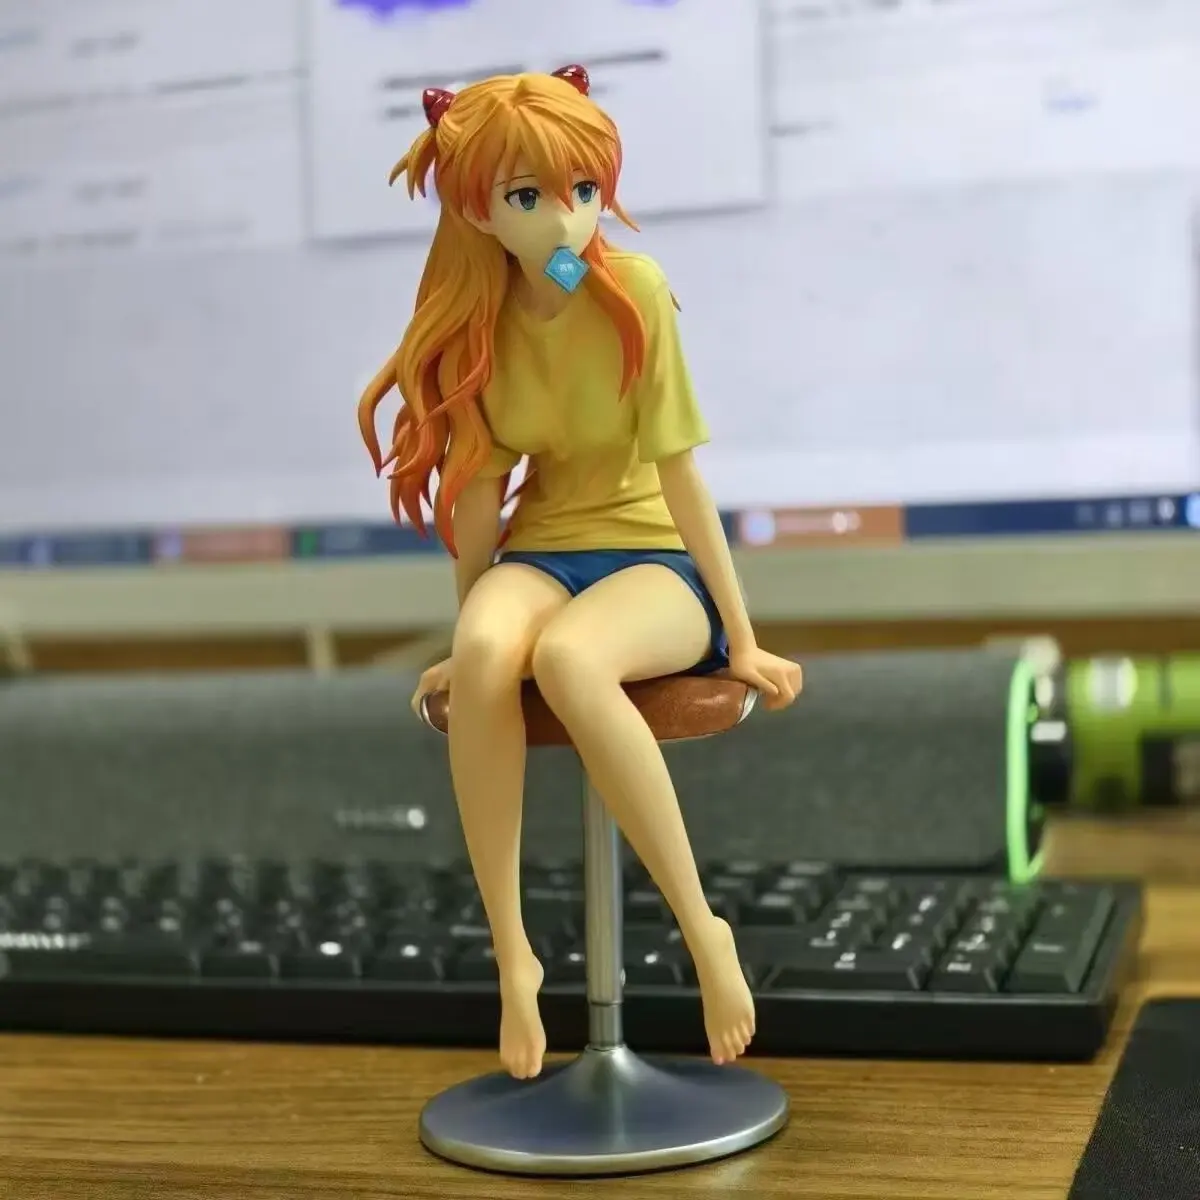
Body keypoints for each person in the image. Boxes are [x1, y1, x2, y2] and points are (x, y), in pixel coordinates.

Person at [358, 64, 803, 1081]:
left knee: (567, 659)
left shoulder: (631, 293)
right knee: (488, 649)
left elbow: (682, 478)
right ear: (479, 208)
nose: (567, 220)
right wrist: (467, 628)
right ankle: (514, 957)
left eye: (585, 191)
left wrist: (740, 638)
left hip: (653, 556)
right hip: (546, 550)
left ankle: (703, 930)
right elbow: (479, 494)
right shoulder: (474, 323)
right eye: (530, 197)